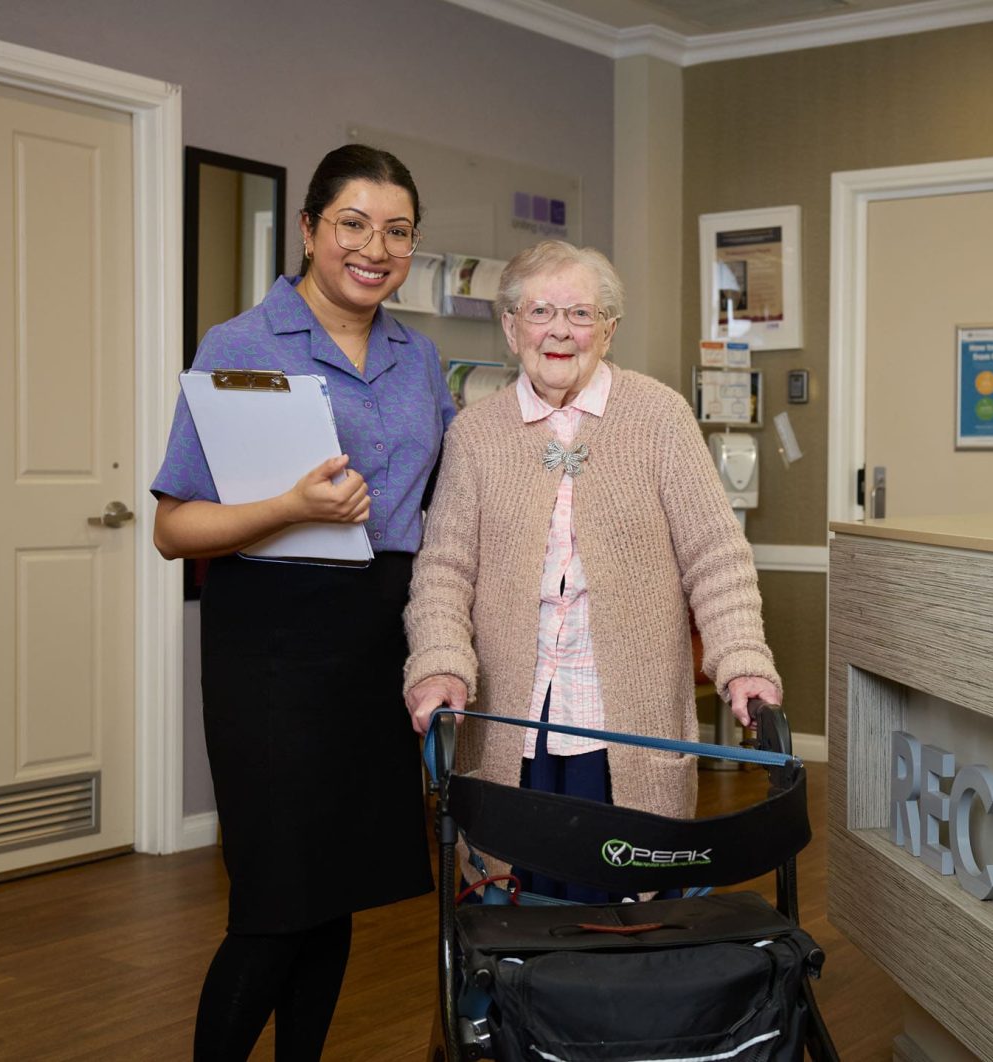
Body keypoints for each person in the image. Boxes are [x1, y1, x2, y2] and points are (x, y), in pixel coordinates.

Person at [151, 144, 455, 1060]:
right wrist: (289, 507)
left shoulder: (418, 356)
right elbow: (173, 528)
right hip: (271, 643)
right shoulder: (240, 344)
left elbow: (456, 491)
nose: (375, 248)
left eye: (397, 231)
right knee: (275, 902)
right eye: (353, 224)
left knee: (335, 892)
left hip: (380, 637)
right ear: (311, 227)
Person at [402, 240, 781, 902]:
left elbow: (715, 553)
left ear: (608, 329)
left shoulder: (658, 417)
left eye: (580, 313)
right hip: (514, 723)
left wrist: (742, 659)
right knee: (517, 901)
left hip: (625, 718)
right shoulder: (475, 435)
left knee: (629, 905)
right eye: (539, 311)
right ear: (510, 325)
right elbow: (443, 572)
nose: (558, 330)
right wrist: (439, 665)